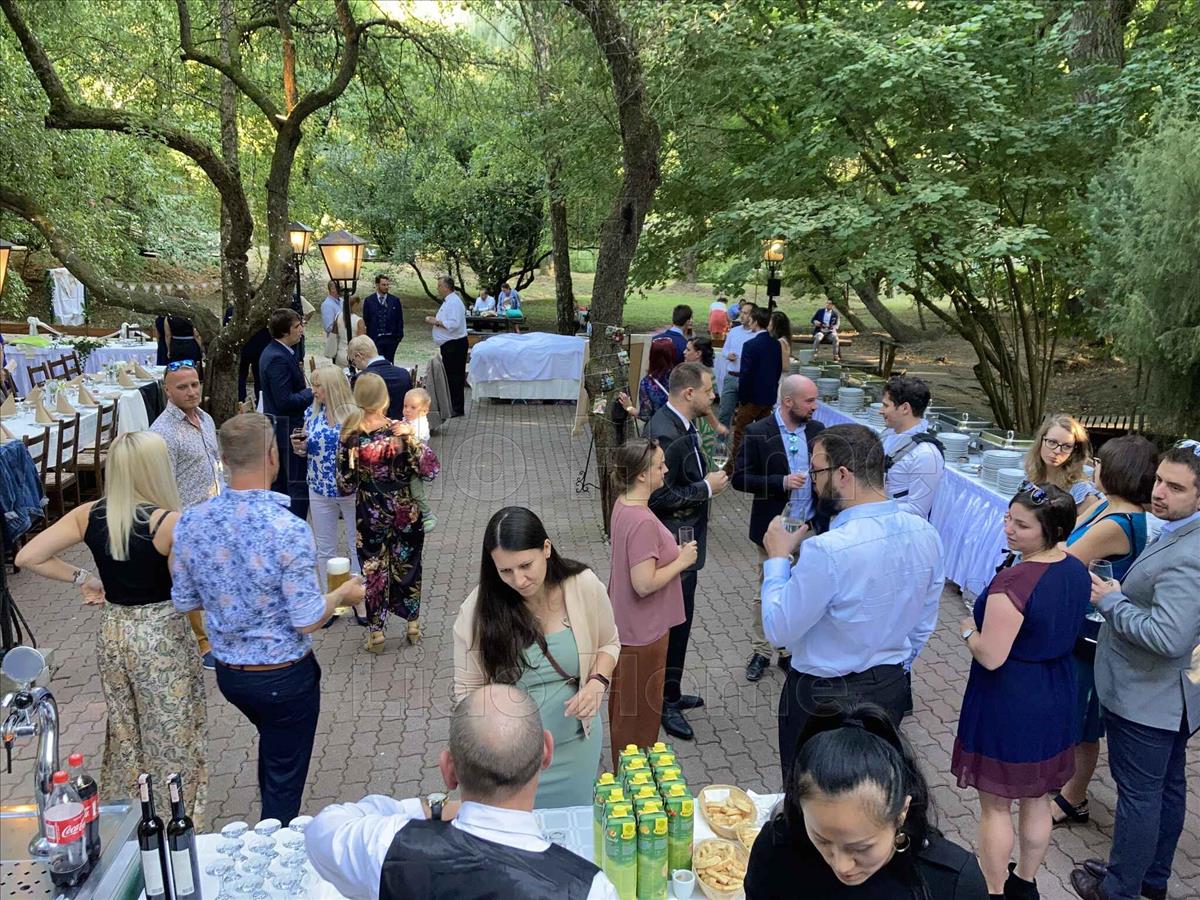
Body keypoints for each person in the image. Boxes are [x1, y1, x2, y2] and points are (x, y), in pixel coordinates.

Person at [171, 412, 365, 823]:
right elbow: (307, 618)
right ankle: (274, 841)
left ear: (224, 459)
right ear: (273, 456)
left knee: (276, 752)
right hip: (283, 675)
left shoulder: (192, 521)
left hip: (231, 674)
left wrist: (230, 595)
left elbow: (185, 600)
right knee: (283, 784)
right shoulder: (287, 527)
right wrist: (341, 594)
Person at [15, 433, 209, 827]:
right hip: (161, 634)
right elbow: (191, 593)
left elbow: (28, 555)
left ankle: (132, 814)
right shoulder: (168, 522)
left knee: (125, 729)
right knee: (174, 727)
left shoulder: (89, 514)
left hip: (114, 630)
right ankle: (180, 815)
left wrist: (85, 578)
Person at [305, 684, 619, 900]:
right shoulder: (589, 888)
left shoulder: (389, 847)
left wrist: (432, 809)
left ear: (448, 770)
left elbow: (323, 829)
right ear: (547, 752)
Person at [762, 424, 943, 779]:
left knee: (809, 797)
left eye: (816, 471)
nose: (812, 481)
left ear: (843, 475)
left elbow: (778, 630)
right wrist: (894, 664)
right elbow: (923, 621)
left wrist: (778, 559)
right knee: (873, 790)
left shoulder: (827, 549)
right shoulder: (927, 533)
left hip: (821, 696)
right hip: (889, 688)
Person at [1070, 441, 1200, 900]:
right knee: (1166, 788)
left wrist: (1111, 601)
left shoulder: (1191, 553)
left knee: (1141, 796)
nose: (1159, 492)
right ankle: (1150, 877)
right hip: (1169, 695)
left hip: (1149, 696)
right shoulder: (1180, 529)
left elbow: (1169, 637)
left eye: (1176, 487)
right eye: (1159, 480)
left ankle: (1120, 888)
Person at [951, 483, 1090, 899]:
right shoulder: (1075, 567)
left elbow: (991, 656)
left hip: (1009, 698)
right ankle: (1026, 883)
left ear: (1052, 530)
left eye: (1022, 525)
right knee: (1037, 797)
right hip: (1056, 690)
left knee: (996, 805)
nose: (1009, 528)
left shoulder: (1012, 583)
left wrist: (967, 631)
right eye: (1009, 518)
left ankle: (994, 890)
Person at [452, 507, 619, 808]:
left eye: (525, 565)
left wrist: (597, 683)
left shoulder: (583, 585)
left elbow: (609, 643)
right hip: (510, 764)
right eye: (505, 571)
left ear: (546, 548)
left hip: (576, 747)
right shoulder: (476, 612)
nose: (518, 580)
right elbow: (468, 693)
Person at [745, 706, 987, 899]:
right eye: (822, 840)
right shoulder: (775, 852)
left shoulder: (952, 882)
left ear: (901, 814)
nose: (842, 866)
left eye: (861, 848)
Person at [1054, 435, 1155, 829]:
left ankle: (1074, 797)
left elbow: (1064, 557)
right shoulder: (1104, 505)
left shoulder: (1119, 522)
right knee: (1073, 709)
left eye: (1099, 463)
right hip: (1080, 623)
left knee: (1083, 720)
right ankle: (1065, 781)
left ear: (1116, 471)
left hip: (1092, 632)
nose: (1092, 468)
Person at [645, 362, 729, 741]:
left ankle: (672, 692)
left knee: (682, 621)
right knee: (671, 625)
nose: (714, 396)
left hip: (685, 543)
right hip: (671, 547)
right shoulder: (664, 431)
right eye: (709, 390)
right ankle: (663, 702)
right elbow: (657, 495)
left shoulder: (684, 423)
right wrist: (706, 489)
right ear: (689, 393)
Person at [732, 375, 825, 683]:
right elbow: (739, 479)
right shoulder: (758, 432)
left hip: (809, 528)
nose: (814, 406)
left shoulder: (818, 431)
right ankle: (761, 650)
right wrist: (780, 482)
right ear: (788, 402)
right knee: (767, 590)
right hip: (775, 530)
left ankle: (788, 650)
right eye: (809, 400)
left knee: (803, 591)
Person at [338, 373, 439, 652]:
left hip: (370, 509)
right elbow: (430, 468)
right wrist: (411, 439)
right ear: (384, 399)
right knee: (409, 564)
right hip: (405, 508)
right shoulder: (401, 430)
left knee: (373, 568)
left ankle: (376, 633)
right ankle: (413, 624)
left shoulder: (351, 436)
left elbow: (345, 484)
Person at [607, 438, 692, 767]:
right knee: (639, 720)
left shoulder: (624, 504)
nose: (666, 470)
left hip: (627, 625)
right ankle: (634, 782)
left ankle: (626, 776)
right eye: (660, 465)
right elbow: (643, 584)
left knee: (625, 710)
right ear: (642, 475)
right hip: (644, 632)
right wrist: (681, 561)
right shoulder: (642, 520)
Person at [150, 361, 221, 669]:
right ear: (167, 391)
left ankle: (218, 634)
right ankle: (203, 645)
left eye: (194, 384)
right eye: (182, 387)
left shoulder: (205, 418)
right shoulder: (161, 433)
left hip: (214, 513)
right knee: (191, 581)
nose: (191, 391)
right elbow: (160, 485)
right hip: (186, 520)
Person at [290, 365, 366, 623]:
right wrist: (299, 448)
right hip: (319, 487)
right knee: (324, 547)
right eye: (312, 384)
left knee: (357, 544)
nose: (313, 390)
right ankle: (330, 601)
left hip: (350, 488)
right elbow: (305, 450)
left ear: (332, 387)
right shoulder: (311, 414)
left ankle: (359, 599)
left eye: (318, 385)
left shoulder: (354, 415)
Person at [259, 307, 313, 519]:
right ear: (284, 331)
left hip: (282, 426)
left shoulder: (280, 352)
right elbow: (284, 401)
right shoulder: (277, 358)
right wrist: (310, 393)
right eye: (297, 326)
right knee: (296, 483)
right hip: (286, 429)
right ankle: (295, 526)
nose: (301, 330)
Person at [879, 376, 945, 520]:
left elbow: (918, 510)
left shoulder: (926, 454)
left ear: (905, 408)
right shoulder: (887, 436)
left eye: (885, 406)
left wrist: (871, 507)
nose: (880, 411)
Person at [728, 306, 783, 476]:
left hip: (751, 397)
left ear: (756, 322)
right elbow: (777, 371)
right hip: (768, 396)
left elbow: (746, 374)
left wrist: (742, 398)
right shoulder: (775, 344)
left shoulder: (750, 345)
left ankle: (733, 467)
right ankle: (760, 466)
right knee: (763, 434)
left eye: (751, 319)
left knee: (740, 432)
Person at [1023, 413, 1100, 516]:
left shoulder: (1081, 492)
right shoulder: (1031, 476)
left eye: (1066, 446)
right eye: (1052, 442)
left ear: (1074, 451)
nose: (1057, 451)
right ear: (1041, 441)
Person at [426, 275, 468, 418]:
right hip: (449, 344)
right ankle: (452, 405)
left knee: (455, 376)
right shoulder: (448, 301)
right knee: (450, 376)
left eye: (439, 286)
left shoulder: (454, 302)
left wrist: (436, 322)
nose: (437, 288)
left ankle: (457, 407)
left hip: (455, 344)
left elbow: (454, 324)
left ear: (446, 287)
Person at [347, 335, 413, 420]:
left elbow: (357, 412)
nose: (356, 367)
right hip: (402, 425)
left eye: (353, 362)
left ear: (359, 356)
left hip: (372, 425)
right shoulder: (404, 374)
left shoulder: (361, 379)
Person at [402, 387, 436, 531]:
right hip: (406, 463)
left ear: (424, 411)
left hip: (417, 466)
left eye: (413, 407)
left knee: (416, 491)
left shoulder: (421, 423)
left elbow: (419, 436)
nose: (407, 410)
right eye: (405, 406)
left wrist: (408, 431)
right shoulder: (407, 420)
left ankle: (428, 515)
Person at [718, 302, 755, 428]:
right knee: (724, 413)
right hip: (732, 376)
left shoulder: (757, 334)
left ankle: (742, 439)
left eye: (745, 313)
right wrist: (728, 355)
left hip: (748, 379)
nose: (742, 316)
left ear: (753, 316)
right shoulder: (734, 331)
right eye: (741, 312)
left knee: (746, 416)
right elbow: (724, 350)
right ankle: (721, 439)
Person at [363, 274, 405, 364]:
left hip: (391, 338)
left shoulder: (394, 300)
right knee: (377, 362)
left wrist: (398, 337)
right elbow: (366, 320)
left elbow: (399, 319)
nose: (386, 287)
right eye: (384, 285)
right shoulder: (369, 301)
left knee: (389, 362)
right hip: (375, 338)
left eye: (387, 285)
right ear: (377, 285)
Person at [637, 339, 674, 421]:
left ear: (652, 356)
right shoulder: (681, 376)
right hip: (682, 426)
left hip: (660, 426)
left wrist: (629, 408)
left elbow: (645, 415)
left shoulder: (646, 383)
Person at [331, 295, 367, 367]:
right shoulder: (358, 321)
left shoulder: (338, 316)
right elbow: (361, 342)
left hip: (340, 353)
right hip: (353, 356)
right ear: (355, 304)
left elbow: (335, 334)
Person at [321, 280, 343, 355]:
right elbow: (329, 327)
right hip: (336, 342)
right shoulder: (327, 305)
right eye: (339, 286)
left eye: (342, 285)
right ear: (332, 289)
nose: (342, 288)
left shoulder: (342, 301)